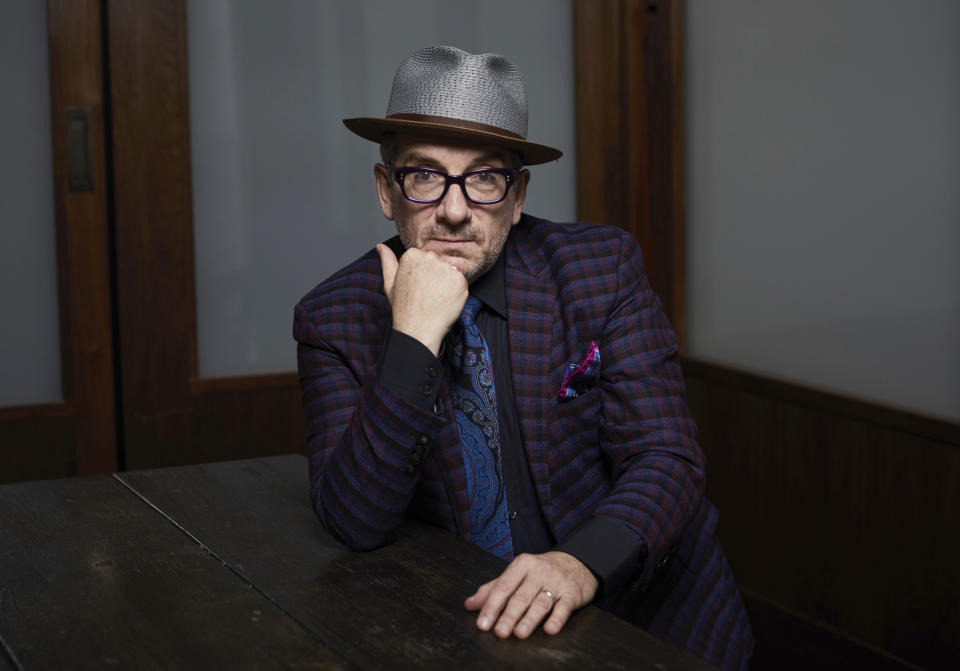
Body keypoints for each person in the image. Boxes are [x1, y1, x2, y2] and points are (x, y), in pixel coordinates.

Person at [294, 46, 753, 670]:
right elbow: (354, 522)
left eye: (484, 177)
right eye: (424, 175)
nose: (454, 211)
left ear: (516, 195)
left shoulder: (599, 269)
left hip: (650, 620)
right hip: (476, 635)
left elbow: (666, 457)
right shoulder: (333, 316)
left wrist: (578, 562)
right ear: (386, 190)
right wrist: (412, 340)